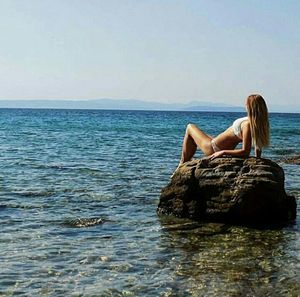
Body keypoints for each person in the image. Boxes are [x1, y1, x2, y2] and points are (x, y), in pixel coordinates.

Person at [173, 94, 270, 175]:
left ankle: (182, 163)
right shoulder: (259, 123)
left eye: (246, 103)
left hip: (214, 148)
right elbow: (258, 144)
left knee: (190, 127)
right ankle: (187, 161)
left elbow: (245, 151)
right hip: (216, 144)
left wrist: (222, 152)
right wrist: (258, 158)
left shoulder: (247, 125)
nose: (245, 105)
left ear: (250, 107)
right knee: (201, 136)